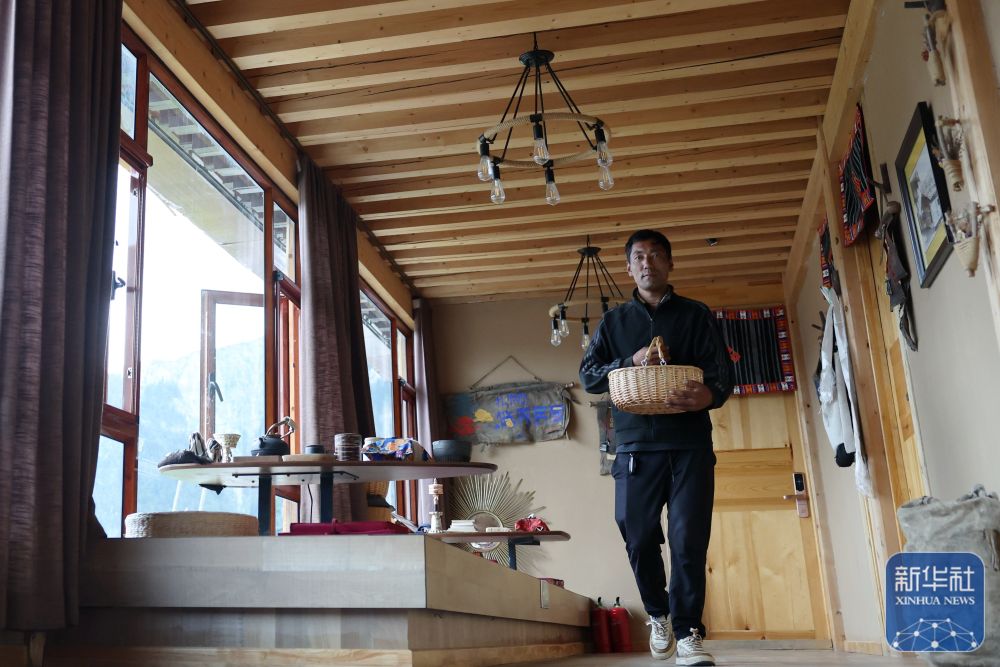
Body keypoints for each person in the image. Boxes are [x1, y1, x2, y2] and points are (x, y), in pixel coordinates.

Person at [580, 229, 733, 666]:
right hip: (634, 446)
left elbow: (722, 375)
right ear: (629, 268)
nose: (648, 263)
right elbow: (589, 375)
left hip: (690, 445)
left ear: (670, 263)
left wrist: (709, 395)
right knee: (637, 532)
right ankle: (658, 614)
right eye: (639, 257)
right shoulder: (614, 323)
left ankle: (688, 634)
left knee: (688, 539)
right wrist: (629, 361)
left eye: (656, 255)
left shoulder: (696, 314)